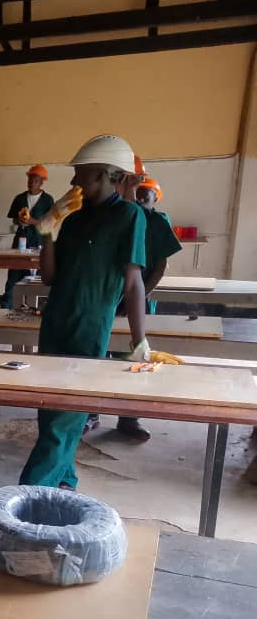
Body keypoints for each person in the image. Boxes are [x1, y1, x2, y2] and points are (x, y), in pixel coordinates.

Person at [20, 135, 150, 490]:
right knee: (50, 412)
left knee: (65, 418)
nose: (75, 182)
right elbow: (49, 277)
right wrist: (47, 231)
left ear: (110, 176)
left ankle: (29, 495)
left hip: (89, 327)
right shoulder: (73, 217)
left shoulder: (129, 216)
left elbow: (134, 281)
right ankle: (66, 482)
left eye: (84, 175)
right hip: (55, 322)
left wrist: (140, 340)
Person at [112, 175, 182, 441]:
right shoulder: (120, 218)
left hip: (138, 298)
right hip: (112, 296)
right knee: (101, 355)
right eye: (137, 192)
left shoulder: (157, 222)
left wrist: (137, 300)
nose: (141, 198)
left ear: (156, 199)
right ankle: (91, 413)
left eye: (147, 194)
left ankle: (129, 417)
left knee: (134, 359)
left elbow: (160, 265)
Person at [3, 165, 54, 307]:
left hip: (38, 239)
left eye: (36, 180)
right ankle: (7, 306)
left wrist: (33, 222)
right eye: (30, 180)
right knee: (14, 272)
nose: (32, 183)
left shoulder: (47, 200)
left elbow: (49, 222)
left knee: (36, 273)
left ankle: (36, 307)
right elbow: (13, 218)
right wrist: (19, 220)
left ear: (41, 182)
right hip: (21, 237)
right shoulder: (19, 198)